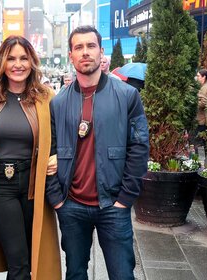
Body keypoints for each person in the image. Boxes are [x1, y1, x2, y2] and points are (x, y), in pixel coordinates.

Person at [46, 25, 149, 280]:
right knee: (75, 273)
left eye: (90, 46)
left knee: (122, 274)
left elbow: (139, 148)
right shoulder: (58, 103)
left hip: (113, 205)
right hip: (71, 205)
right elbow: (48, 153)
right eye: (78, 47)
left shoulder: (127, 95)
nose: (85, 52)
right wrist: (58, 199)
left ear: (101, 52)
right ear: (70, 55)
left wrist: (125, 198)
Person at [0, 35, 61, 280]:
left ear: (32, 61)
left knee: (37, 260)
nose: (17, 64)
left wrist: (60, 157)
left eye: (23, 58)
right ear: (2, 62)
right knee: (18, 262)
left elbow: (62, 136)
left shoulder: (46, 98)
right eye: (11, 58)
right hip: (0, 185)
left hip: (35, 185)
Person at [195, 68, 207, 156]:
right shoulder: (204, 87)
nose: (197, 78)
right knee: (201, 142)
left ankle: (206, 164)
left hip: (204, 120)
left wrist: (193, 102)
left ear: (204, 77)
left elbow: (204, 103)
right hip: (201, 119)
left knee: (204, 142)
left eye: (198, 76)